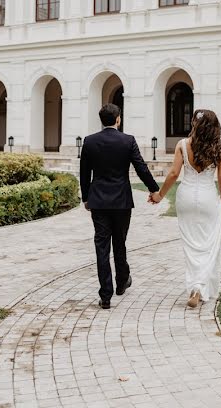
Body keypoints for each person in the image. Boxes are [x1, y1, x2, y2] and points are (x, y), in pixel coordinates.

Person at [80, 103, 161, 309]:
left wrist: (86, 198)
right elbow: (141, 168)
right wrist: (154, 189)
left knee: (101, 246)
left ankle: (105, 295)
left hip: (98, 201)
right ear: (118, 119)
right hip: (121, 200)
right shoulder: (128, 141)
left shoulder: (89, 142)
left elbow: (84, 173)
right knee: (120, 241)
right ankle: (122, 281)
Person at [157, 109, 221, 308]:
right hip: (208, 198)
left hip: (186, 197)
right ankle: (199, 286)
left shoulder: (182, 145)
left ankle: (194, 286)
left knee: (190, 245)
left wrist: (160, 195)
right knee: (209, 244)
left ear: (194, 124)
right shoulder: (219, 147)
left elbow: (173, 173)